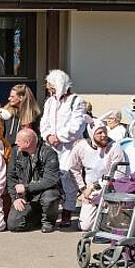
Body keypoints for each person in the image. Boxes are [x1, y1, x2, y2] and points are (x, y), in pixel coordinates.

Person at [39, 69, 86, 227]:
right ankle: (51, 212)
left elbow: (76, 125)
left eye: (51, 85)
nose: (49, 88)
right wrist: (48, 136)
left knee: (68, 179)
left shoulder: (76, 101)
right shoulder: (49, 102)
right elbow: (44, 123)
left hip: (69, 147)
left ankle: (67, 211)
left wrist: (59, 137)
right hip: (51, 146)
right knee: (51, 178)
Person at [69, 116, 125, 231]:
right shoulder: (81, 147)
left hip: (111, 190)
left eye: (105, 132)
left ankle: (105, 222)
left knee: (109, 225)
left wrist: (96, 186)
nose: (103, 135)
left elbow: (118, 174)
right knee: (86, 226)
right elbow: (73, 168)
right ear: (91, 135)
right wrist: (82, 189)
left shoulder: (115, 147)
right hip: (89, 193)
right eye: (99, 133)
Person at [6, 128, 62, 233]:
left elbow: (51, 180)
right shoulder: (16, 153)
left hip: (43, 193)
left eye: (18, 140)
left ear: (27, 143)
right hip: (25, 196)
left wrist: (27, 188)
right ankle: (37, 217)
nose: (15, 142)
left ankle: (48, 221)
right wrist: (15, 198)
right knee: (14, 225)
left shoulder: (48, 153)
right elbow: (11, 177)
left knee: (50, 196)